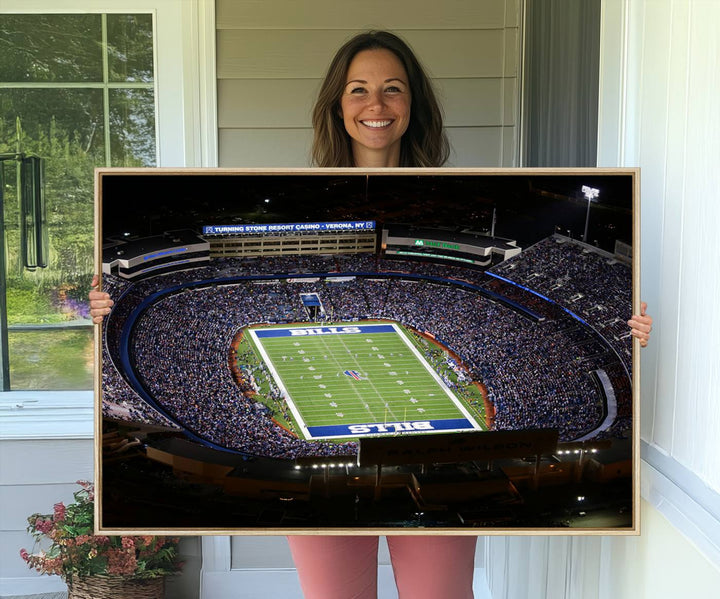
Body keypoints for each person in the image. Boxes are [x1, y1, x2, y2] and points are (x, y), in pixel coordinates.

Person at [90, 30, 653, 599]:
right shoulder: (293, 194)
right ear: (338, 104)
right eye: (359, 90)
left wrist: (626, 330)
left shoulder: (460, 191)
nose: (376, 105)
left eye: (393, 89)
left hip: (434, 467)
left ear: (414, 105)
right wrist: (99, 308)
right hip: (339, 487)